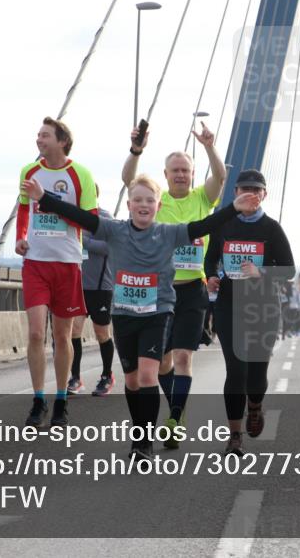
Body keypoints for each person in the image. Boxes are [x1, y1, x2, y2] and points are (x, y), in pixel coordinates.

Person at [23, 174, 258, 461]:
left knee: (148, 375)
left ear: (158, 206)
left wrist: (234, 207)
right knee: (131, 381)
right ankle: (140, 431)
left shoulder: (169, 233)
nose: (143, 205)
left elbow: (203, 225)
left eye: (149, 200)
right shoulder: (115, 230)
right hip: (123, 315)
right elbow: (79, 216)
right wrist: (43, 198)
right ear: (130, 205)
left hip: (157, 314)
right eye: (137, 200)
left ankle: (143, 444)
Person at [122, 120, 227, 448]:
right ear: (165, 175)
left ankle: (174, 417)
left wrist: (209, 146)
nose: (181, 174)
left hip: (193, 290)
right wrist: (136, 150)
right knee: (164, 362)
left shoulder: (202, 199)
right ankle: (176, 409)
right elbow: (129, 180)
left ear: (193, 174)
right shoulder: (157, 201)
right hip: (160, 291)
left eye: (185, 170)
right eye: (175, 170)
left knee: (183, 356)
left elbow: (221, 177)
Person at [205, 170, 295, 456]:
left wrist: (261, 271)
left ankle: (254, 405)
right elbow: (210, 259)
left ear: (264, 195)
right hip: (229, 305)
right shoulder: (224, 224)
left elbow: (289, 270)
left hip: (263, 308)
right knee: (236, 370)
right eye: (244, 188)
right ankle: (234, 436)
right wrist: (211, 276)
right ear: (235, 193)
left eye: (256, 190)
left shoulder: (272, 228)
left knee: (256, 373)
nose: (250, 194)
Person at [16, 117, 97, 428]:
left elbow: (88, 221)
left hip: (66, 263)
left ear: (62, 141)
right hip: (35, 263)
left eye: (45, 135)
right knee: (36, 332)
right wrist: (21, 237)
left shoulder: (80, 175)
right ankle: (39, 400)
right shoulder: (29, 171)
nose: (39, 139)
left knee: (62, 337)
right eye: (37, 134)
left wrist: (48, 202)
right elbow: (25, 208)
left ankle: (61, 400)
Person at [68, 186, 116, 397]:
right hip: (77, 285)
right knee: (73, 332)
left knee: (101, 332)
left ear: (95, 195)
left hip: (100, 286)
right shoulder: (70, 217)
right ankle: (76, 378)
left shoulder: (105, 218)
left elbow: (109, 247)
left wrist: (82, 241)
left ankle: (107, 375)